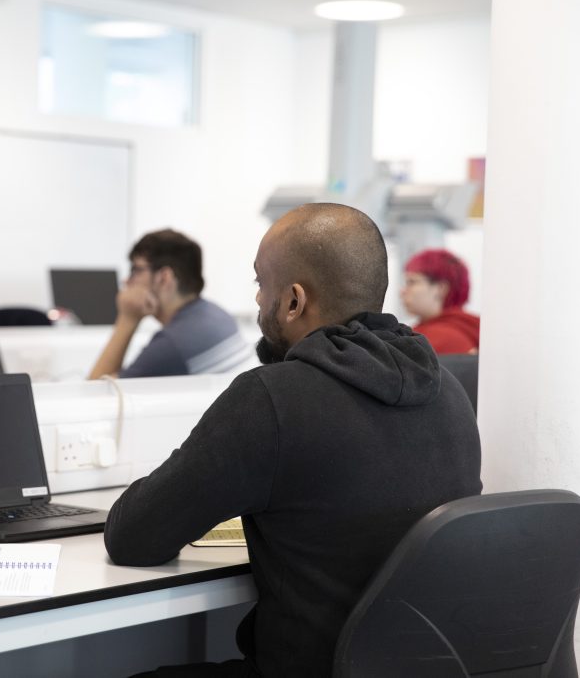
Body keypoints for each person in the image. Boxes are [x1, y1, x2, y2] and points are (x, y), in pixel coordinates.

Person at [104, 203, 482, 677]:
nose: (259, 300)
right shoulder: (449, 390)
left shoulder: (273, 399)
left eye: (262, 283)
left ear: (294, 301)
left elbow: (133, 536)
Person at [89, 229, 252, 379]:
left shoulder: (172, 345)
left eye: (136, 270)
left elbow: (93, 397)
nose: (127, 281)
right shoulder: (218, 315)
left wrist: (127, 318)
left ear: (164, 277)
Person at [400, 248, 480, 354]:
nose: (402, 291)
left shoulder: (430, 339)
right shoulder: (474, 329)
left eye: (412, 282)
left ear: (440, 288)